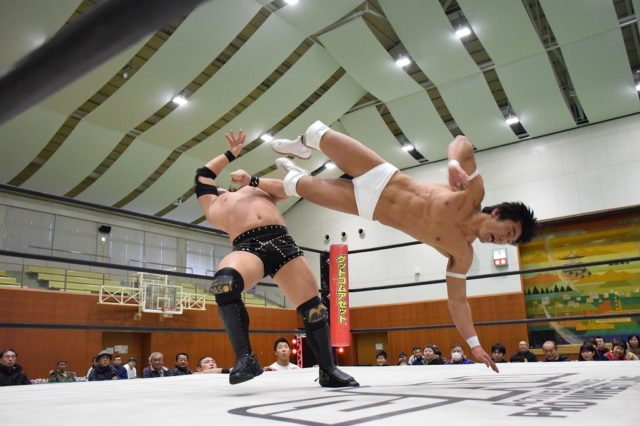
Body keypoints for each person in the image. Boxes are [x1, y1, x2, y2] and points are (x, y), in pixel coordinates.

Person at [270, 121, 538, 373]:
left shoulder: (462, 254)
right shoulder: (473, 193)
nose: (502, 240)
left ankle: (298, 176)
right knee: (319, 134)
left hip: (367, 206)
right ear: (497, 213)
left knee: (298, 186)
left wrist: (474, 344)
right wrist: (454, 163)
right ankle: (300, 145)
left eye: (509, 241)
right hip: (382, 176)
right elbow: (462, 142)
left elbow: (458, 302)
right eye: (508, 232)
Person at [195, 130, 357, 387]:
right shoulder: (214, 204)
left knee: (314, 309)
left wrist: (252, 179)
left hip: (281, 241)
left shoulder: (254, 189)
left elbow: (289, 188)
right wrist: (230, 154)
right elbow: (203, 174)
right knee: (224, 283)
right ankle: (246, 358)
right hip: (247, 247)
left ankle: (328, 370)